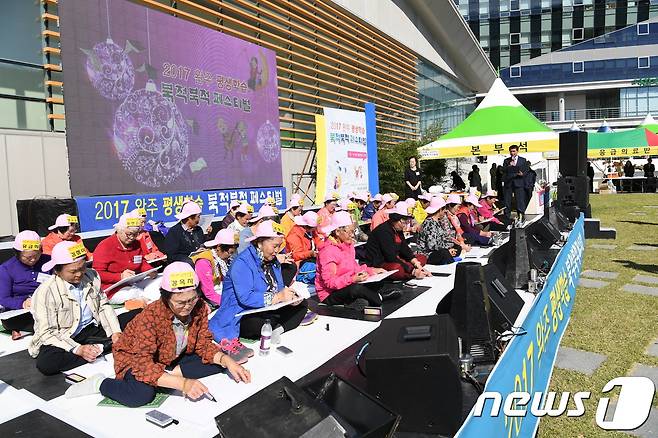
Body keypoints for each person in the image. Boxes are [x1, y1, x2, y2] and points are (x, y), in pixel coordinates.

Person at [64, 262, 251, 406]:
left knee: (222, 362)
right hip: (134, 359)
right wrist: (184, 384)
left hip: (172, 356)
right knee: (141, 395)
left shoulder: (199, 307)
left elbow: (203, 343)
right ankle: (100, 384)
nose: (187, 307)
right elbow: (143, 365)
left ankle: (169, 374)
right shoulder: (151, 316)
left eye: (192, 299)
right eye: (180, 302)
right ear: (165, 296)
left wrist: (227, 361)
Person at [29, 241, 128, 376]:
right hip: (63, 336)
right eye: (73, 271)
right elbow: (47, 333)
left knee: (135, 317)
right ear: (57, 271)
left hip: (91, 329)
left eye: (82, 268)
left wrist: (115, 332)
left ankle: (103, 345)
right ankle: (103, 347)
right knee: (47, 363)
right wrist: (77, 349)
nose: (79, 274)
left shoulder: (91, 275)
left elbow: (103, 306)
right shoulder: (46, 292)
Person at [209, 221, 308, 351]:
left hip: (267, 308)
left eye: (279, 246)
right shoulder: (242, 262)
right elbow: (245, 297)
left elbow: (278, 287)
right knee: (258, 323)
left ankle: (277, 329)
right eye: (274, 246)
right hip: (241, 311)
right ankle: (275, 325)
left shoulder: (273, 261)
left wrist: (289, 297)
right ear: (260, 242)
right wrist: (277, 297)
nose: (277, 251)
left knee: (302, 304)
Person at [316, 211, 392, 310]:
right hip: (329, 293)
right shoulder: (328, 251)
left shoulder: (348, 245)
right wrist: (353, 279)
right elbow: (330, 283)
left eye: (353, 231)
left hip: (347, 284)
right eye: (350, 232)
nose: (352, 235)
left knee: (376, 279)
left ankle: (361, 300)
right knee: (356, 289)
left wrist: (371, 271)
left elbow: (354, 268)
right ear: (338, 232)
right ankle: (378, 298)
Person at [93, 212, 159, 306]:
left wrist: (150, 270)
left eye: (135, 234)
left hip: (134, 282)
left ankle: (148, 302)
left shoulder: (136, 243)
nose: (132, 237)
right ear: (119, 230)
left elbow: (141, 262)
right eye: (129, 234)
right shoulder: (105, 246)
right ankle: (148, 304)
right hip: (111, 289)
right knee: (134, 293)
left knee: (160, 281)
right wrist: (120, 276)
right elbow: (97, 273)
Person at [362, 203, 431, 280]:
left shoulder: (398, 229)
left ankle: (411, 268)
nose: (405, 225)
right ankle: (410, 273)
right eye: (404, 222)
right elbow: (390, 256)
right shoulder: (383, 231)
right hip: (381, 262)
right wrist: (412, 270)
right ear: (395, 219)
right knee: (397, 268)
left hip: (397, 258)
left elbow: (404, 248)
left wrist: (416, 263)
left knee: (421, 257)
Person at [0, 231, 51, 334]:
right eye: (28, 257)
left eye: (36, 255)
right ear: (17, 254)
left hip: (49, 306)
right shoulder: (6, 269)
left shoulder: (49, 261)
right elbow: (3, 299)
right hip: (22, 311)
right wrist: (22, 303)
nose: (33, 260)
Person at [192, 229, 239, 308]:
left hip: (221, 295)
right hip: (206, 301)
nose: (230, 256)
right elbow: (208, 293)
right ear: (219, 247)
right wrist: (229, 303)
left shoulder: (221, 260)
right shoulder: (203, 262)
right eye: (230, 253)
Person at [416, 197, 461, 265]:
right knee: (444, 253)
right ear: (440, 209)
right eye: (444, 209)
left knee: (457, 247)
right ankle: (450, 261)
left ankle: (449, 256)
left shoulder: (437, 221)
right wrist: (448, 249)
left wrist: (451, 245)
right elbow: (432, 245)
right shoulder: (429, 223)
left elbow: (441, 239)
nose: (445, 211)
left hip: (438, 249)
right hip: (427, 253)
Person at [502, 145, 530, 220]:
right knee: (507, 201)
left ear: (517, 151)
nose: (512, 153)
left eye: (514, 151)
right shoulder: (506, 160)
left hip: (519, 182)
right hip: (509, 182)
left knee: (520, 200)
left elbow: (526, 170)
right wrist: (509, 166)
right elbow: (503, 170)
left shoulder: (523, 160)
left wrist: (522, 174)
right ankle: (507, 217)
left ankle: (521, 215)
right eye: (511, 151)